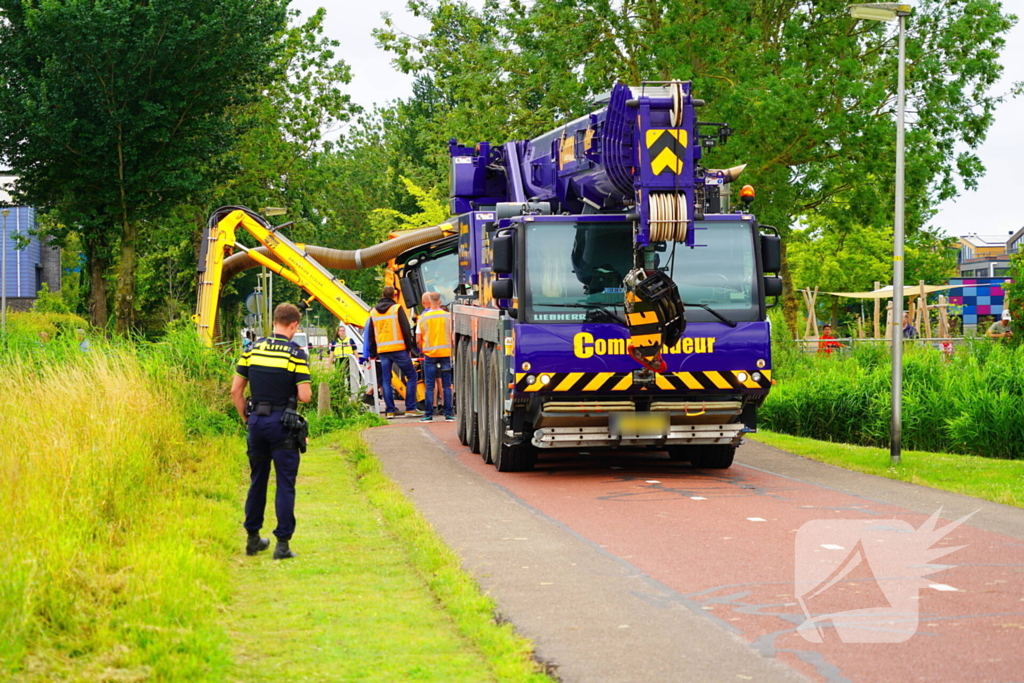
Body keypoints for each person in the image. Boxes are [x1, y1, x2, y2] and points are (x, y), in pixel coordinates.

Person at [231, 303, 312, 560]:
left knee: (258, 480)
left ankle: (253, 539)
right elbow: (305, 396)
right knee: (285, 484)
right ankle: (282, 545)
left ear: (274, 321)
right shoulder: (296, 354)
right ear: (294, 325)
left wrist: (247, 417)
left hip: (256, 421)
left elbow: (236, 391)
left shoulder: (251, 349)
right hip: (282, 424)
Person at [365, 285, 421, 419]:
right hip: (399, 349)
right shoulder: (397, 309)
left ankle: (390, 410)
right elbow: (405, 330)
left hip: (383, 351)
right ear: (394, 295)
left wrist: (373, 354)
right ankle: (410, 408)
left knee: (386, 379)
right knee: (412, 376)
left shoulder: (373, 312)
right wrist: (409, 349)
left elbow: (371, 335)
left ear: (383, 295)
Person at [416, 291, 455, 422]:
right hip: (446, 353)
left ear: (428, 302)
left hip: (429, 355)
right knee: (447, 385)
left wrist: (423, 349)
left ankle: (428, 414)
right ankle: (448, 414)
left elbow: (417, 338)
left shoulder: (422, 318)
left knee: (430, 385)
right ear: (439, 302)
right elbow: (453, 335)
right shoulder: (448, 316)